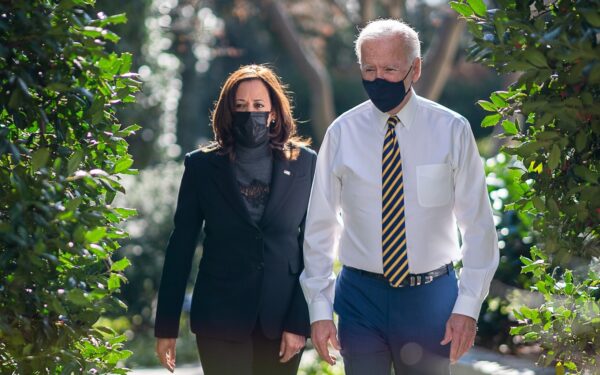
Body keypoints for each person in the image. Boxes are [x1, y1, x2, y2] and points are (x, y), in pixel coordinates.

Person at [300, 19, 499, 375]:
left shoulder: (452, 130)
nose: (378, 79)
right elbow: (320, 226)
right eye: (369, 69)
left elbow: (478, 226)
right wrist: (319, 309)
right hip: (360, 298)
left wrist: (467, 307)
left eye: (390, 69)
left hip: (431, 298)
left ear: (416, 68)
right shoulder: (342, 133)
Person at [154, 64, 316, 375]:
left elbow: (314, 244)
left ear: (273, 112)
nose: (249, 113)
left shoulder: (304, 164)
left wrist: (300, 321)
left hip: (282, 319)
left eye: (258, 106)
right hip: (220, 315)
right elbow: (181, 246)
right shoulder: (201, 166)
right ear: (228, 112)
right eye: (240, 106)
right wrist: (166, 327)